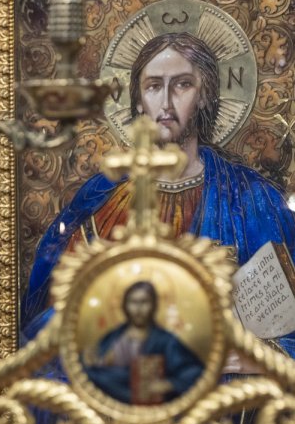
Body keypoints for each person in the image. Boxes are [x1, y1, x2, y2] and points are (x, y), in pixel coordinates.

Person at [22, 31, 295, 360]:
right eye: (153, 86)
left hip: (225, 399)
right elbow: (48, 332)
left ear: (205, 94)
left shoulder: (252, 199)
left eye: (182, 84)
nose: (166, 102)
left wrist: (258, 354)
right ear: (138, 99)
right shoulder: (99, 200)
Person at [82, 281, 205, 405]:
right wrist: (92, 359)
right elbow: (94, 362)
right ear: (125, 305)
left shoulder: (165, 340)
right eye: (133, 302)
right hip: (111, 401)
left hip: (149, 405)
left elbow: (195, 370)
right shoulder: (115, 335)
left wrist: (169, 384)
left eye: (144, 302)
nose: (138, 308)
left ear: (154, 305)